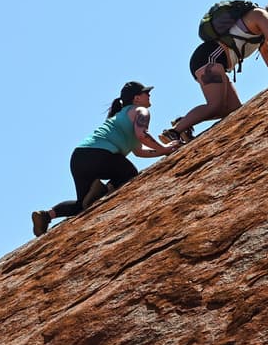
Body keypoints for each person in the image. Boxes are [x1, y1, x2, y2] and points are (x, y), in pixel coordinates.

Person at [32, 81, 177, 236]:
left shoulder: (120, 116)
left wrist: (163, 152)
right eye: (145, 92)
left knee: (83, 204)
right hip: (100, 155)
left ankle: (47, 215)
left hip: (79, 157)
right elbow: (142, 135)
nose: (149, 95)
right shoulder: (140, 110)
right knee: (129, 173)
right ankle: (102, 190)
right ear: (136, 98)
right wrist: (165, 148)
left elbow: (139, 151)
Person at [160, 3, 268, 145]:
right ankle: (174, 132)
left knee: (233, 110)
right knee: (215, 105)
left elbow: (266, 51)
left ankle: (184, 122)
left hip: (215, 63)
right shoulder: (260, 15)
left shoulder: (260, 32)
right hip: (209, 58)